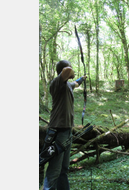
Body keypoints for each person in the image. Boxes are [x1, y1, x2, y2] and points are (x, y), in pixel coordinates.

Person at [43, 60, 87, 190]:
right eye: (70, 68)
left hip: (67, 131)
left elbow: (76, 84)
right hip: (58, 132)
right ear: (63, 70)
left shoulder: (67, 85)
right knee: (54, 171)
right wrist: (70, 71)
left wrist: (82, 79)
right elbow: (67, 72)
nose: (72, 70)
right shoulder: (56, 83)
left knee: (63, 169)